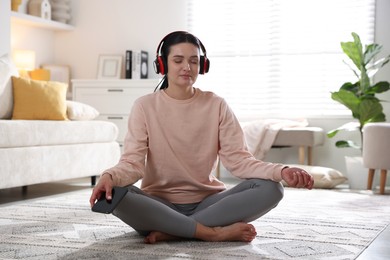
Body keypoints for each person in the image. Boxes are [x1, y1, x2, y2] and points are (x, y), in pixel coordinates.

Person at [89, 31, 314, 244]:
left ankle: (176, 231)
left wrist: (281, 172)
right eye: (178, 60)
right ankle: (210, 233)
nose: (187, 67)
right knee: (111, 195)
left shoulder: (216, 104)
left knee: (272, 188)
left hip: (209, 203)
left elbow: (239, 161)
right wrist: (110, 176)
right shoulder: (144, 106)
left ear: (202, 66)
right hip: (159, 204)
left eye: (194, 61)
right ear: (162, 64)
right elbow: (133, 164)